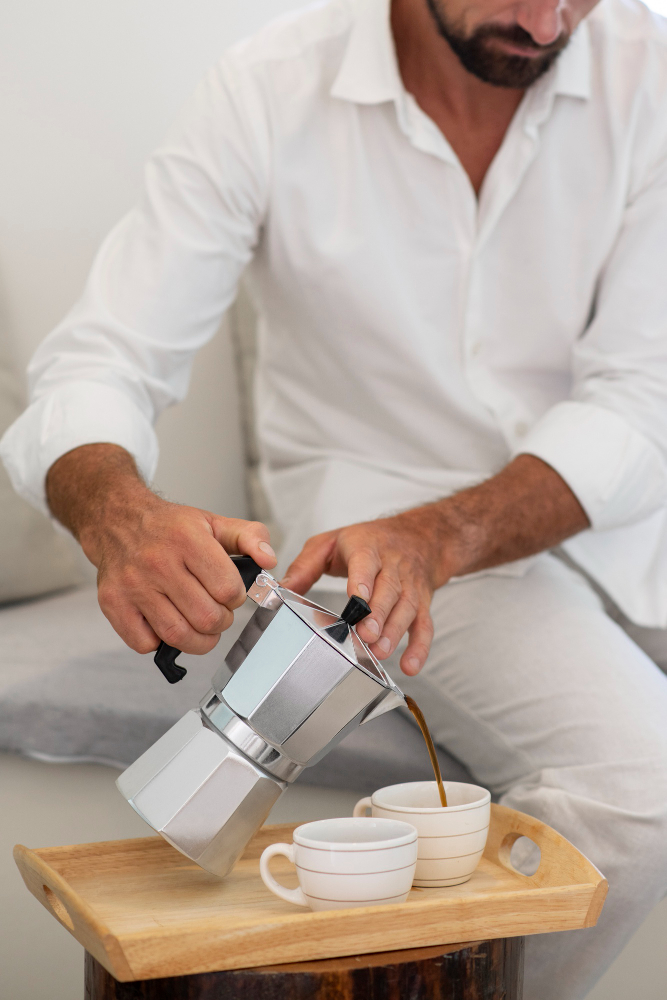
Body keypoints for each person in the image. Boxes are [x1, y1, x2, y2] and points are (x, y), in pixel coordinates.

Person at [3, 0, 667, 995]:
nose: (541, 20)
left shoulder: (650, 74)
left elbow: (645, 397)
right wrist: (119, 514)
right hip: (380, 560)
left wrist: (444, 532)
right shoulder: (265, 90)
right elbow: (107, 355)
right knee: (639, 785)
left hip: (594, 528)